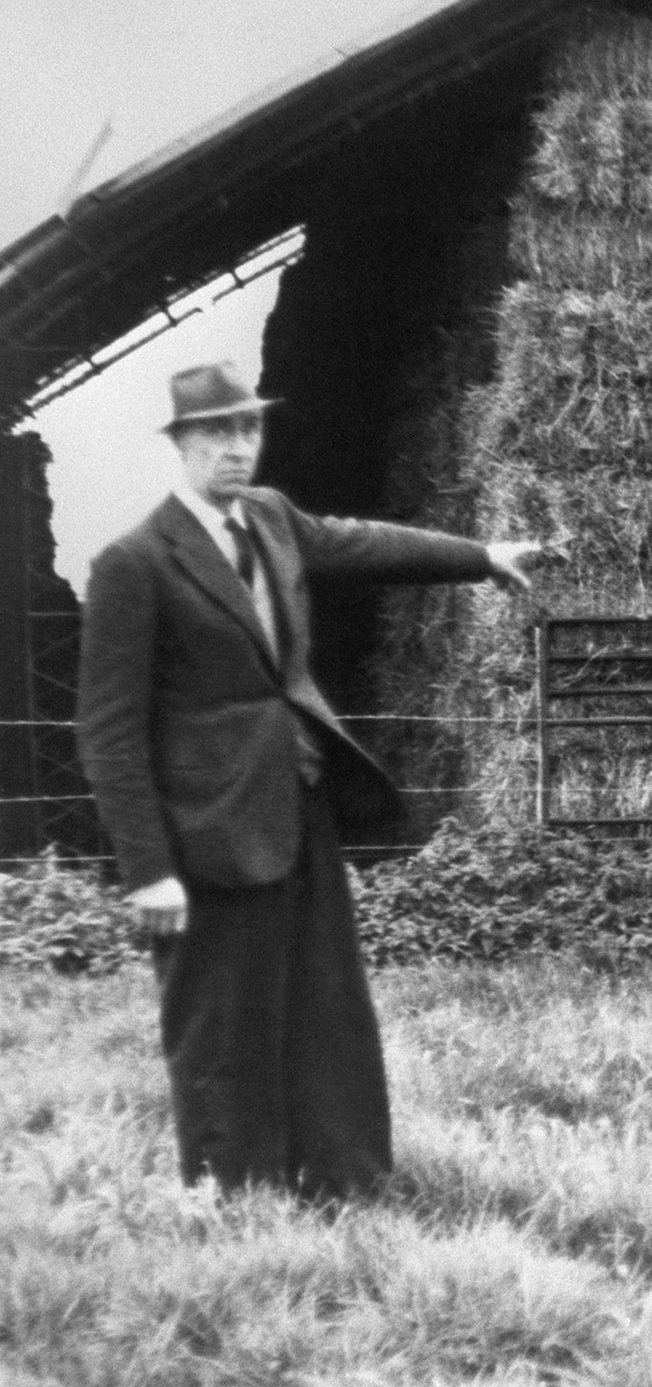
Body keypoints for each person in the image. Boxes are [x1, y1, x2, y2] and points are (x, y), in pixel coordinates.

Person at [76, 360, 542, 1200]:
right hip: (206, 833)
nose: (236, 447)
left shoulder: (272, 520)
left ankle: (345, 1182)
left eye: (247, 428)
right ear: (180, 445)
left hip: (299, 802)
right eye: (216, 432)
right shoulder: (134, 564)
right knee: (221, 1022)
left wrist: (483, 556)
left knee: (328, 1008)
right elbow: (107, 735)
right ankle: (234, 1193)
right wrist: (148, 870)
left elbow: (367, 542)